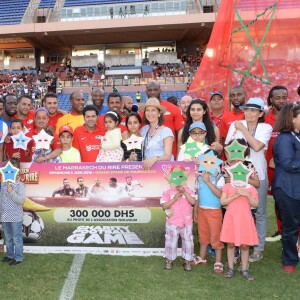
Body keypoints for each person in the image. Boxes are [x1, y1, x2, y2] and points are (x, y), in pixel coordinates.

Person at [225, 98, 272, 262]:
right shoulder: (235, 124)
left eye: (254, 110)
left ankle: (258, 248)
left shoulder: (265, 127)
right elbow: (228, 150)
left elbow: (257, 146)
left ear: (260, 113)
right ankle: (237, 246)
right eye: (247, 110)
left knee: (259, 211)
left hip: (257, 174)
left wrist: (244, 130)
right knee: (237, 210)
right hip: (237, 175)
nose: (249, 113)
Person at [272, 103, 300, 273]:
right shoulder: (284, 138)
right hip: (287, 189)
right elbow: (288, 164)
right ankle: (289, 259)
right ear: (292, 119)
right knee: (290, 226)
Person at [220, 177, 259, 281]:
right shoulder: (228, 186)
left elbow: (255, 204)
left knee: (245, 245)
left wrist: (248, 195)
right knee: (231, 243)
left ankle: (244, 269)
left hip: (245, 220)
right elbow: (222, 202)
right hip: (231, 219)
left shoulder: (251, 188)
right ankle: (231, 268)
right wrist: (235, 195)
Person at [264, 86, 288, 242]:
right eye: (277, 98)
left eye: (284, 97)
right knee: (276, 201)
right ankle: (280, 231)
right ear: (271, 99)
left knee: (287, 201)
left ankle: (289, 232)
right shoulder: (265, 119)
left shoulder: (293, 118)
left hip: (286, 169)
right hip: (267, 168)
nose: (281, 100)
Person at [160, 171, 196, 271]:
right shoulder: (167, 191)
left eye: (181, 177)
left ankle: (187, 261)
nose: (178, 180)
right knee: (171, 241)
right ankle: (169, 260)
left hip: (187, 222)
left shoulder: (188, 190)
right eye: (175, 177)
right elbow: (164, 206)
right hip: (172, 221)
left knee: (188, 241)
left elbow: (193, 202)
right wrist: (175, 199)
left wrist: (184, 191)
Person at [145, 81, 183, 157]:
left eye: (155, 89)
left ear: (160, 90)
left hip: (170, 156)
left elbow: (180, 132)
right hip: (148, 159)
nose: (152, 92)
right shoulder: (143, 112)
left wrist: (179, 154)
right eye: (150, 90)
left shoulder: (173, 108)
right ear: (146, 92)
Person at [0, 158, 25, 265]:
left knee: (16, 238)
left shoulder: (20, 185)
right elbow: (1, 200)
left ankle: (18, 257)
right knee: (8, 238)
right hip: (5, 217)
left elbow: (21, 201)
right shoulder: (3, 184)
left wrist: (11, 192)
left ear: (18, 171)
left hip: (15, 217)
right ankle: (10, 255)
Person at [139, 98, 174, 170]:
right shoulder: (143, 130)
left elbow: (168, 156)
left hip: (161, 169)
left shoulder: (166, 131)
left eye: (153, 110)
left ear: (159, 113)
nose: (150, 113)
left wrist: (155, 158)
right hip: (145, 169)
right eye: (147, 110)